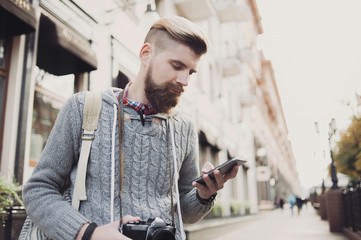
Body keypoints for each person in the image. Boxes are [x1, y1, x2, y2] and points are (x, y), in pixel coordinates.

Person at [22, 16, 239, 240]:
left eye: (191, 72)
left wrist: (204, 195)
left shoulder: (184, 127)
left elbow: (185, 212)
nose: (184, 80)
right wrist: (89, 233)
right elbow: (38, 189)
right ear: (146, 53)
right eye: (177, 66)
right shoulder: (83, 108)